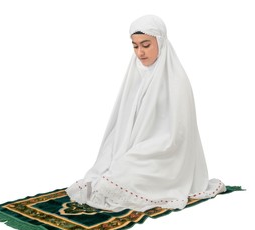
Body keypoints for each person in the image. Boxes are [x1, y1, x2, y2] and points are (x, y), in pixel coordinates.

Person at [66, 15, 225, 212]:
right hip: (133, 149)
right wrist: (123, 150)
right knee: (102, 174)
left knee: (121, 177)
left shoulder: (177, 80)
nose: (140, 52)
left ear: (160, 42)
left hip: (164, 156)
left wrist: (142, 151)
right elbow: (121, 122)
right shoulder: (136, 73)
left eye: (146, 45)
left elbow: (178, 135)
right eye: (135, 46)